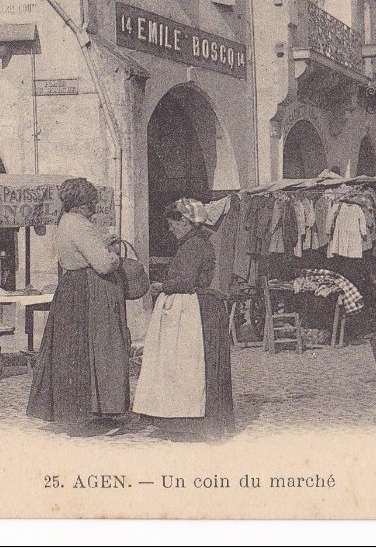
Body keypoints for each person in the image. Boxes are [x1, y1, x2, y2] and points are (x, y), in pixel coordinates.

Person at [27, 178, 130, 436]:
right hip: (88, 292)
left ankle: (73, 412)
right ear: (82, 203)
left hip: (71, 289)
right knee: (93, 350)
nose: (95, 205)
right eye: (91, 201)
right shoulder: (82, 225)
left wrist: (102, 243)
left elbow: (83, 252)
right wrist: (114, 255)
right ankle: (93, 413)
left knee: (69, 352)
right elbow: (103, 264)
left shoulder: (65, 222)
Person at [133, 198, 234, 441]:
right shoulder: (196, 243)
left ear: (187, 222)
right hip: (198, 307)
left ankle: (195, 422)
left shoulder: (193, 246)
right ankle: (197, 423)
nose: (170, 229)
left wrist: (161, 285)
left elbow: (185, 282)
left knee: (191, 367)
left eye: (173, 224)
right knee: (192, 367)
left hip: (195, 310)